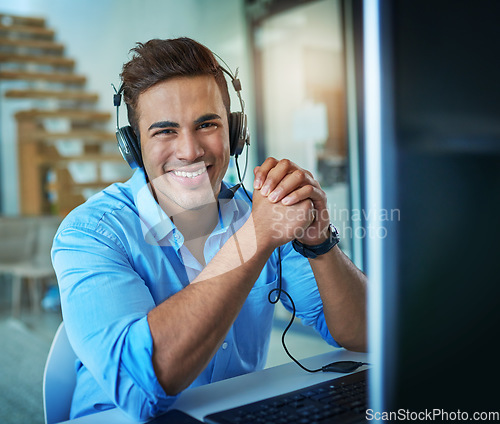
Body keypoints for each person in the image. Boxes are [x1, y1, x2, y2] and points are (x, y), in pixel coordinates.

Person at [52, 37, 367, 421]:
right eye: (165, 131)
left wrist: (320, 245)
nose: (190, 150)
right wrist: (255, 236)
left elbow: (366, 334)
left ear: (234, 134)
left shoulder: (258, 212)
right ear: (133, 147)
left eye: (206, 124)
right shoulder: (90, 234)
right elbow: (146, 387)